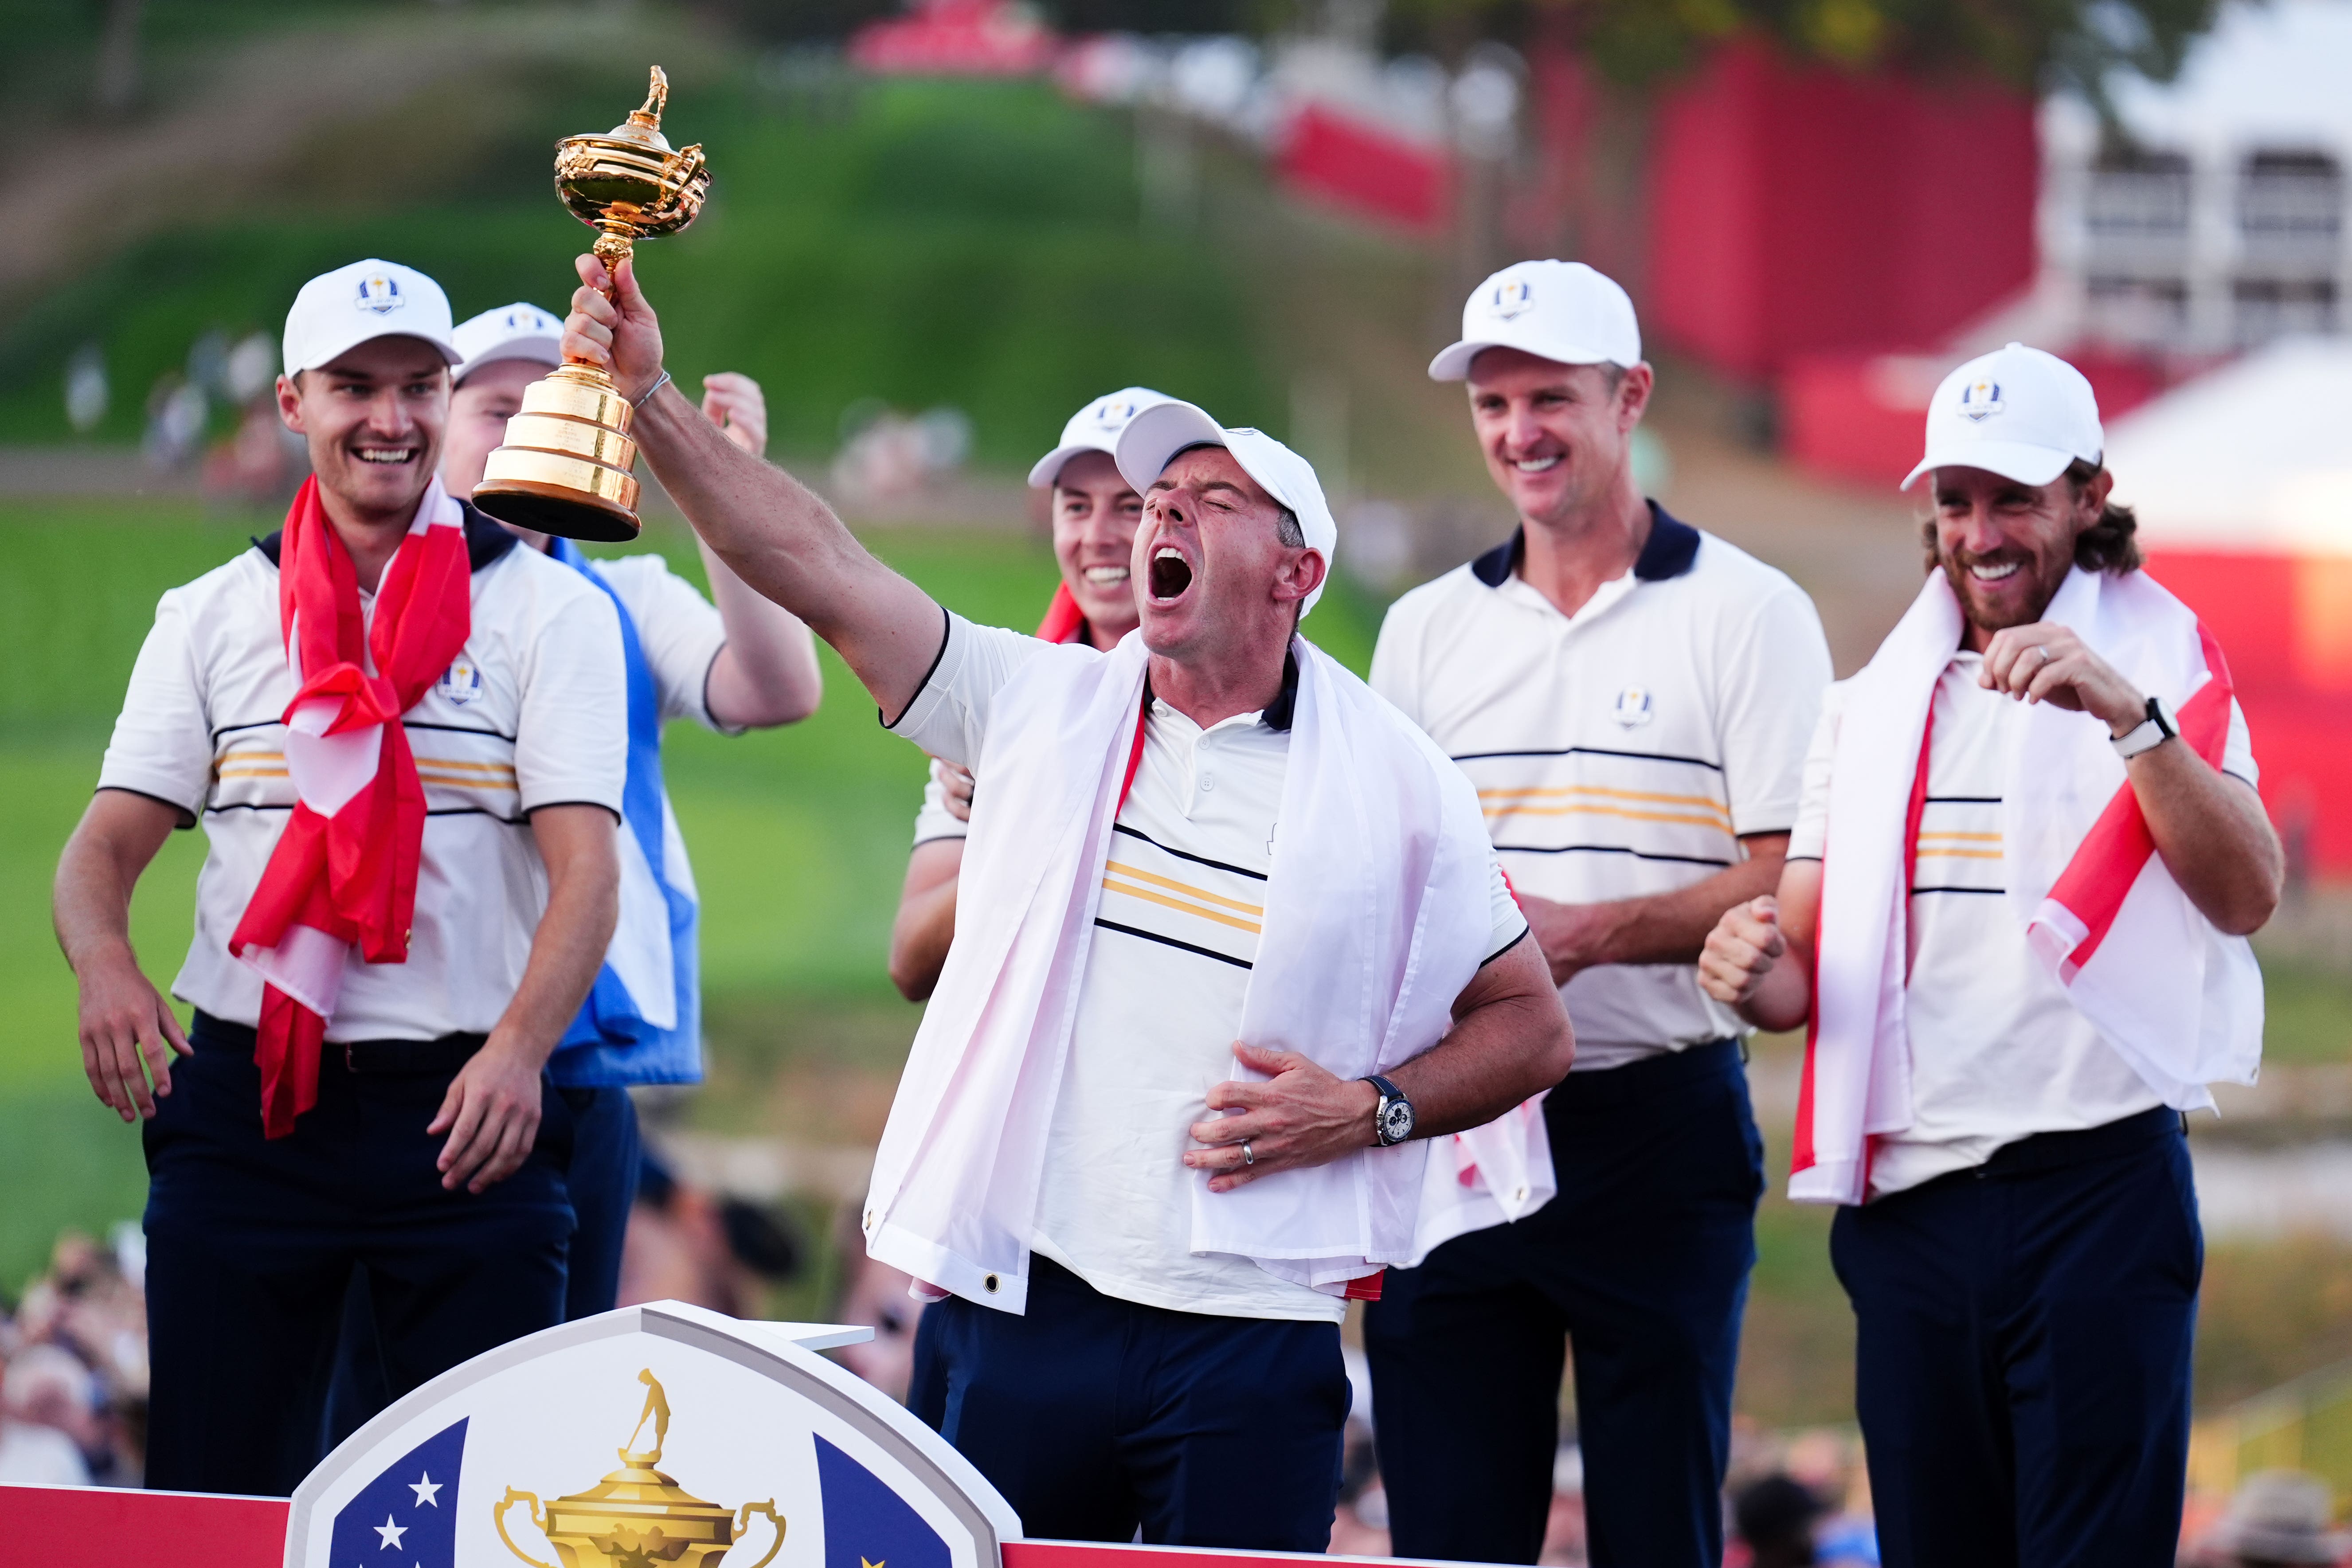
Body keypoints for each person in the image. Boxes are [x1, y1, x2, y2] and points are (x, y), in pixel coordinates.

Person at [557, 250, 1575, 1551]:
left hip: (1254, 1332)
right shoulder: (1031, 704)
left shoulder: (1401, 780)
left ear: (1295, 571)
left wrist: (1367, 1111)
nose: (1157, 520)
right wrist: (648, 402)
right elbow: (812, 555)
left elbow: (1527, 1026)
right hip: (1021, 1301)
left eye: (1209, 500)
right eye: (1158, 498)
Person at [1699, 343, 2281, 1566]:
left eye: (2013, 498)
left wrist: (2128, 719)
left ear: (2086, 494)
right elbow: (1798, 980)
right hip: (1912, 1216)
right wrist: (1748, 972)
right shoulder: (1866, 705)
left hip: (2098, 1194)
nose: (1981, 533)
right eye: (1955, 501)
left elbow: (2247, 895)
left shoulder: (2163, 664)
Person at [54, 259, 627, 1495]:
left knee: (489, 1504)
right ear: (290, 404)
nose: (391, 417)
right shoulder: (209, 613)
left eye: (421, 387)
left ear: (451, 395)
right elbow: (103, 847)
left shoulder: (545, 612)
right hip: (249, 1113)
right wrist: (107, 965)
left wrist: (524, 1051)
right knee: (214, 1488)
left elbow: (588, 873)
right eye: (354, 386)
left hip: (467, 1118)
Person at [1362, 259, 1832, 1568]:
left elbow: (1793, 883)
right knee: (1451, 1532)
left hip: (1654, 1124)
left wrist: (1590, 933)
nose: (1520, 432)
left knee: (1656, 1531)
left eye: (1550, 398)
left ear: (1630, 399)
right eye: (1495, 403)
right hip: (1461, 1118)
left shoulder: (1750, 615)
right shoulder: (1424, 629)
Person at [439, 302, 822, 1318]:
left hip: (575, 1066)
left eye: (561, 405)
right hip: (414, 1049)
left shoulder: (623, 594)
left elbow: (779, 687)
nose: (532, 428)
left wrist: (720, 497)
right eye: (496, 408)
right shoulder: (369, 593)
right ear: (432, 424)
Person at [888, 387, 1170, 1001]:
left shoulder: (1255, 693)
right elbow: (911, 961)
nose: (1097, 536)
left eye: (1131, 507)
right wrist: (1014, 828)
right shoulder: (1006, 695)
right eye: (1075, 506)